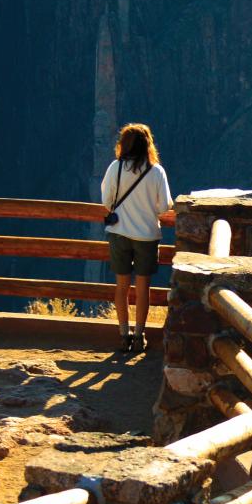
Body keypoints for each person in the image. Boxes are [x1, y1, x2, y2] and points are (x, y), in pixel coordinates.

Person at [101, 122, 175, 353]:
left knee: (121, 286)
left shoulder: (116, 168)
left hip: (119, 233)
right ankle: (139, 336)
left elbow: (106, 201)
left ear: (123, 144)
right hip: (146, 236)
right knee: (143, 287)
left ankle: (124, 335)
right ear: (148, 145)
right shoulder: (156, 172)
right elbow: (164, 206)